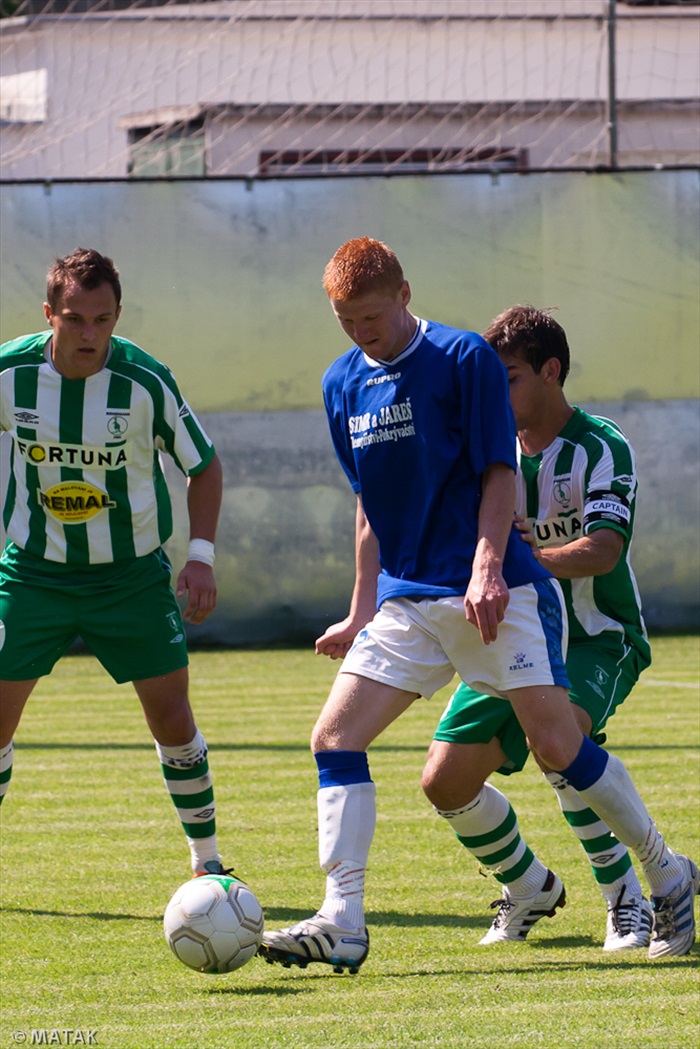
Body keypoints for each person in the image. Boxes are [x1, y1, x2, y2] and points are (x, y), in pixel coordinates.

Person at [259, 236, 604, 975]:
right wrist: (357, 609)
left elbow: (498, 469)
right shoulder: (340, 383)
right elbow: (368, 505)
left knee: (558, 747)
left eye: (372, 315)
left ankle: (659, 871)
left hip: (489, 593)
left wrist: (487, 566)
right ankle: (343, 917)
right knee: (335, 738)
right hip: (408, 600)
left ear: (405, 294)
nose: (361, 331)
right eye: (346, 319)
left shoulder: (461, 359)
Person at [422, 304, 698, 958]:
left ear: (551, 371)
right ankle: (528, 886)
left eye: (509, 377)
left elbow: (604, 549)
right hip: (516, 630)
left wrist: (527, 557)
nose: (496, 393)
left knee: (560, 738)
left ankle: (637, 892)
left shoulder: (601, 445)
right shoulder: (488, 452)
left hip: (598, 633)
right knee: (445, 780)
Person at [0, 247, 230, 880]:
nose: (89, 335)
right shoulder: (9, 373)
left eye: (102, 321)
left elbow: (203, 465)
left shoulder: (144, 381)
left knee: (172, 719)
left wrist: (200, 557)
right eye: (74, 319)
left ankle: (208, 865)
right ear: (49, 313)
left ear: (118, 316)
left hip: (129, 577)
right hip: (33, 572)